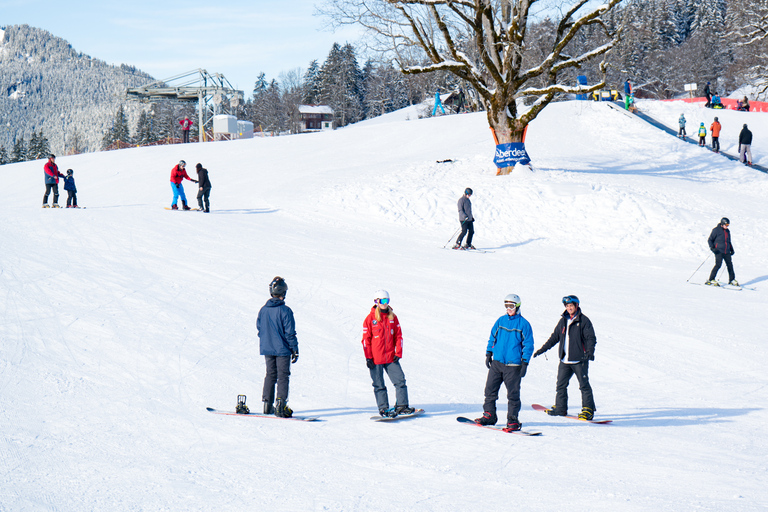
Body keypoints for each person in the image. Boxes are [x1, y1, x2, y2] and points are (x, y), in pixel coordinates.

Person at [474, 294, 533, 431]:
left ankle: (513, 421)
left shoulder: (524, 324)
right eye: (506, 306)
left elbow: (528, 345)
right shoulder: (500, 321)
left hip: (513, 366)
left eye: (511, 306)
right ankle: (489, 415)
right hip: (497, 363)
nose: (509, 309)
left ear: (517, 306)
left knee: (513, 394)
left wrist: (525, 363)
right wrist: (489, 353)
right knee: (490, 390)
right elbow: (492, 337)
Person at [533, 295, 598, 420]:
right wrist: (542, 350)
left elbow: (591, 338)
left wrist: (590, 351)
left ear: (576, 306)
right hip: (565, 359)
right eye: (567, 306)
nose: (569, 308)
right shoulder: (563, 321)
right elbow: (554, 337)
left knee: (583, 385)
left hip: (580, 359)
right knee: (561, 385)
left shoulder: (584, 321)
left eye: (571, 306)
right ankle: (560, 408)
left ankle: (588, 410)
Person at [362, 290, 415, 417]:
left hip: (391, 357)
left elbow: (399, 336)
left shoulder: (393, 317)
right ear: (376, 302)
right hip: (376, 359)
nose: (384, 304)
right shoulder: (370, 319)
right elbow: (365, 340)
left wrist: (398, 352)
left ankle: (402, 406)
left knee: (400, 381)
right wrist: (368, 357)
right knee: (379, 384)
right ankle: (384, 408)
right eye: (382, 301)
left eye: (387, 301)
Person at [257, 276, 298, 417]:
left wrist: (267, 340)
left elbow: (259, 328)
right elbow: (290, 332)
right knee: (283, 376)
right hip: (282, 350)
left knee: (270, 374)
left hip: (268, 348)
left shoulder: (263, 310)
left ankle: (267, 405)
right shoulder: (285, 311)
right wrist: (294, 349)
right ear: (283, 292)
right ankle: (281, 404)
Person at [706, 218, 737, 287]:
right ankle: (711, 279)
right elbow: (710, 240)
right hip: (718, 251)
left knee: (730, 265)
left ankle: (732, 280)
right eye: (726, 224)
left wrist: (732, 249)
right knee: (718, 265)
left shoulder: (727, 231)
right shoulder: (716, 230)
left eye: (728, 225)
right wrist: (712, 248)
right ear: (722, 224)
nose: (727, 226)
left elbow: (728, 242)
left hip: (727, 251)